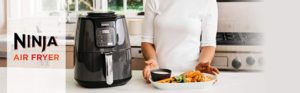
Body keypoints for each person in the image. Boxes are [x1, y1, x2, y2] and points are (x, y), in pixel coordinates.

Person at [142, 0, 220, 82]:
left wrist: (202, 66)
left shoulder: (208, 2)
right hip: (161, 76)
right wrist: (153, 62)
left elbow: (209, 44)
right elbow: (147, 41)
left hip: (191, 78)